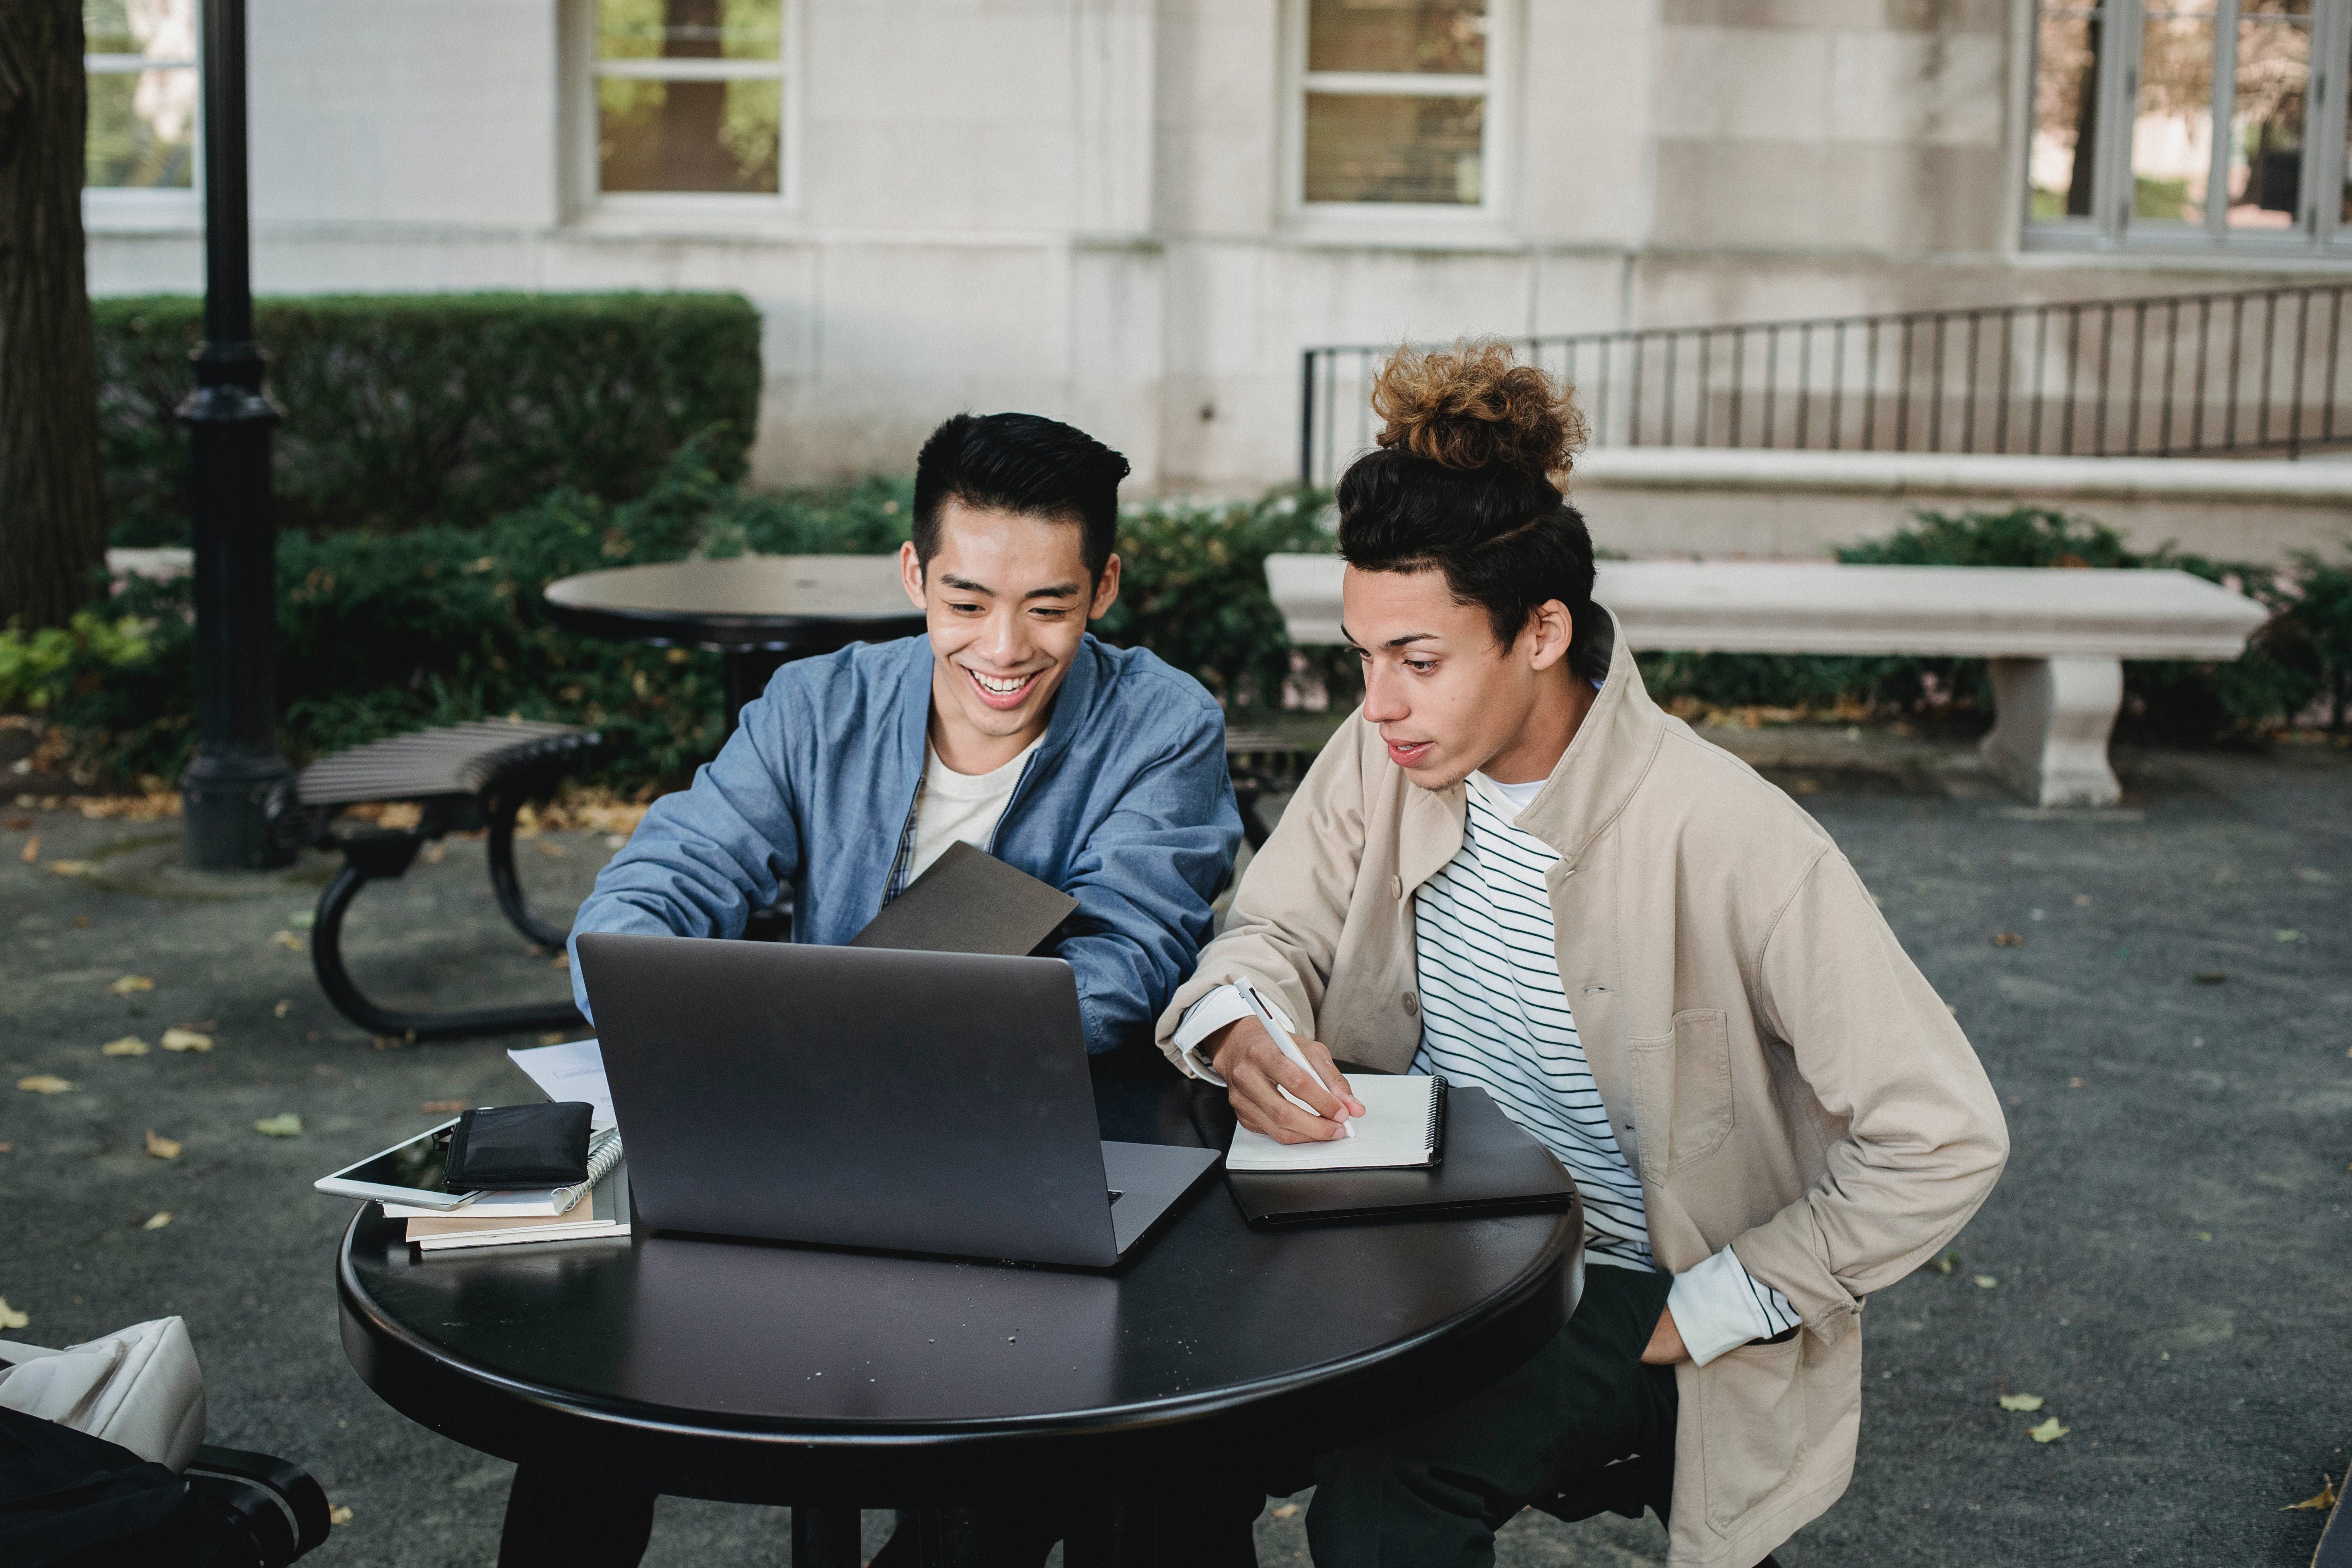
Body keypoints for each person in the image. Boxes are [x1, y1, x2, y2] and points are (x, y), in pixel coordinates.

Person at [1157, 341, 2009, 1568]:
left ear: (1543, 631)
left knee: (1388, 1496)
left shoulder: (1729, 832)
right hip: (1399, 1237)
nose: (1379, 702)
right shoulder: (1380, 754)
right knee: (1159, 1436)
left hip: (1615, 1273)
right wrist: (1240, 1024)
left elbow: (1945, 1131)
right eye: (1363, 656)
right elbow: (1269, 932)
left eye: (1420, 660)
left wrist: (1717, 1306)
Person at [506, 412, 1243, 1568]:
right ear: (913, 574)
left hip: (1038, 1149)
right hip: (808, 1133)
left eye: (1049, 606)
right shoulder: (818, 704)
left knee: (1023, 1469)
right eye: (966, 603)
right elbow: (660, 879)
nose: (1004, 648)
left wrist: (888, 1025)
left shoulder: (1162, 723)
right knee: (583, 1399)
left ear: (1105, 584)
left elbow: (1133, 954)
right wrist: (654, 984)